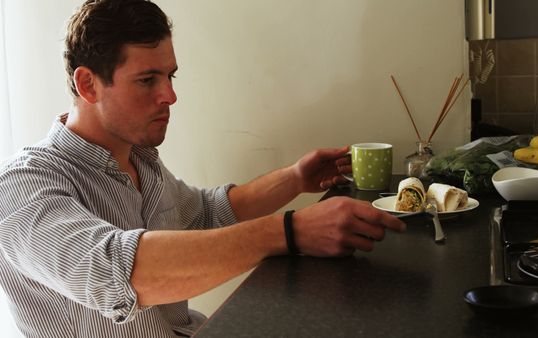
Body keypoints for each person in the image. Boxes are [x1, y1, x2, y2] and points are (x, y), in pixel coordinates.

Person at [0, 0, 406, 337]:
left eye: (170, 76)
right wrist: (290, 231)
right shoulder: (22, 187)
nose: (170, 96)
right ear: (88, 85)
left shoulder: (140, 160)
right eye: (147, 80)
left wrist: (295, 177)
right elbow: (122, 273)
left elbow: (206, 213)